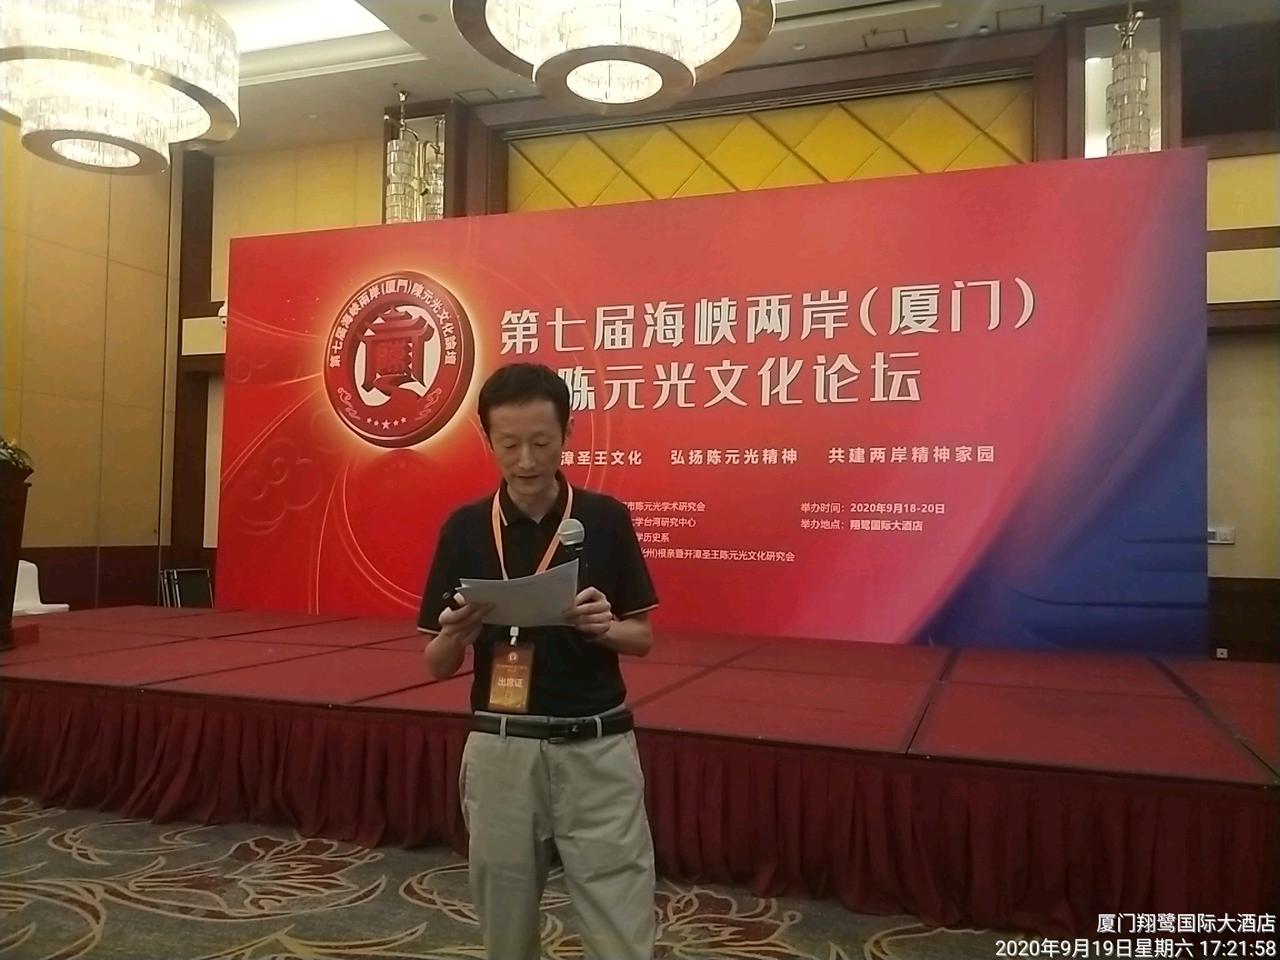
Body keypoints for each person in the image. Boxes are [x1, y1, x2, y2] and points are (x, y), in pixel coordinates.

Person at [418, 362, 659, 960]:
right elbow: (435, 663)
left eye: (542, 442)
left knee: (619, 916)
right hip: (502, 746)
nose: (526, 461)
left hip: (596, 745)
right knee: (504, 918)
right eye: (509, 444)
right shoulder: (465, 528)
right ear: (487, 439)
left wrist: (605, 627)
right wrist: (455, 635)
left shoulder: (605, 519)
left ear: (568, 432)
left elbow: (642, 639)